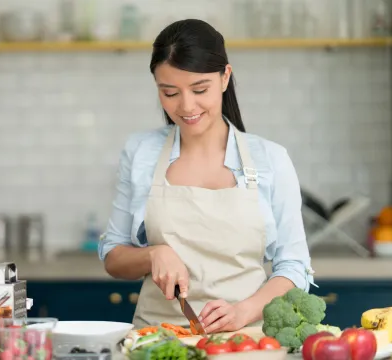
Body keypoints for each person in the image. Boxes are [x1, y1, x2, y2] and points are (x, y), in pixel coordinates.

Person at [98, 19, 315, 334]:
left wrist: (244, 312)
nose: (186, 106)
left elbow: (294, 267)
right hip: (158, 341)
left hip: (246, 341)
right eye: (169, 92)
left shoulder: (270, 159)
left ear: (225, 77)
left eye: (200, 90)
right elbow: (114, 257)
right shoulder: (141, 151)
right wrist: (152, 255)